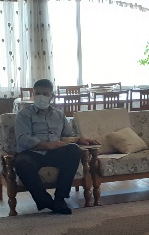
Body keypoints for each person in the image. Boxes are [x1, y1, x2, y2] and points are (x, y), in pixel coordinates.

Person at [13, 78, 97, 215]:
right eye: (38, 93)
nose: (41, 97)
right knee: (21, 162)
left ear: (52, 96)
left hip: (54, 152)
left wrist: (79, 139)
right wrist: (46, 145)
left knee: (74, 150)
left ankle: (60, 198)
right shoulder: (24, 114)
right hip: (32, 153)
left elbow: (67, 135)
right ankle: (46, 201)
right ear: (33, 94)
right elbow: (23, 138)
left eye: (45, 94)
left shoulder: (59, 114)